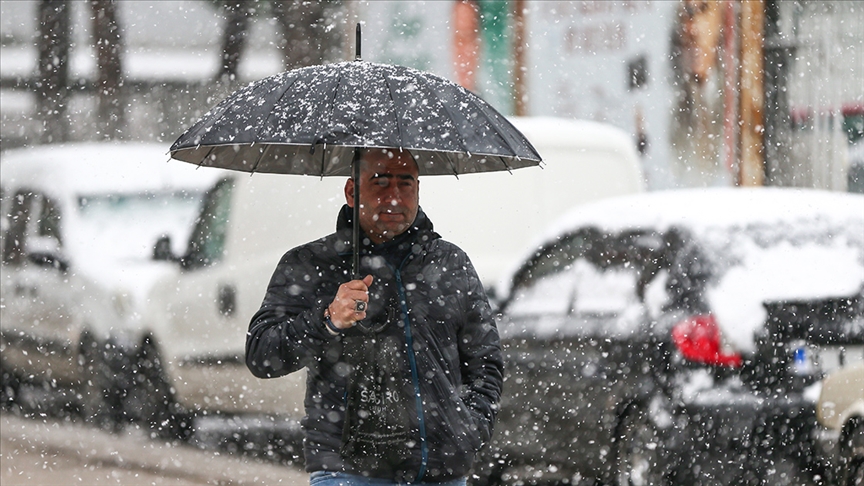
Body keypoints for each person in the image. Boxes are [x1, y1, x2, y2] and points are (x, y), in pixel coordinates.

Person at [246, 148, 504, 486]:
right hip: (349, 472)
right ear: (352, 191)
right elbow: (262, 354)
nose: (394, 197)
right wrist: (327, 320)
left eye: (405, 184)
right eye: (380, 183)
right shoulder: (311, 263)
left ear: (418, 190)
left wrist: (470, 429)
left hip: (442, 473)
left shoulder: (450, 263)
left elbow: (485, 361)